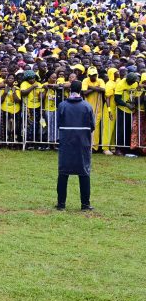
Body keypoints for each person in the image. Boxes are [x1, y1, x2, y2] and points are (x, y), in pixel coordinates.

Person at [56, 80, 95, 211]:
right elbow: (92, 126)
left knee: (63, 173)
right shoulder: (87, 106)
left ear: (70, 89)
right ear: (81, 90)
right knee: (84, 173)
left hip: (66, 142)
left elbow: (58, 124)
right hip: (82, 143)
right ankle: (85, 205)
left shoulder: (62, 105)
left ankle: (61, 204)